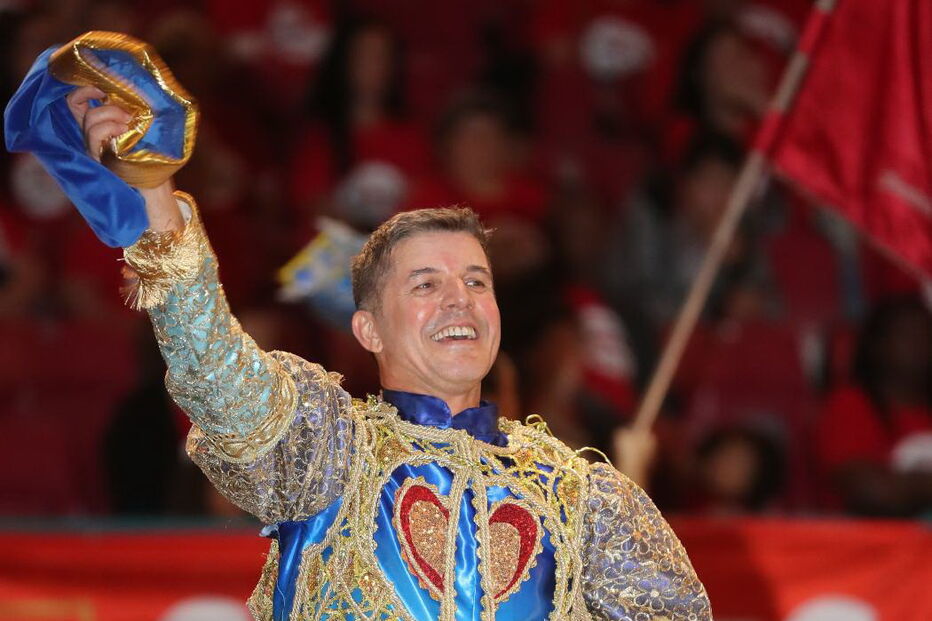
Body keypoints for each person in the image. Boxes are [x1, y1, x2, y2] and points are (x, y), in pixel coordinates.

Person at [65, 83, 711, 620]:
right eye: (426, 285)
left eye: (476, 282)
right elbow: (215, 372)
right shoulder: (330, 452)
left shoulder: (582, 494)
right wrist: (157, 196)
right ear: (368, 330)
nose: (459, 300)